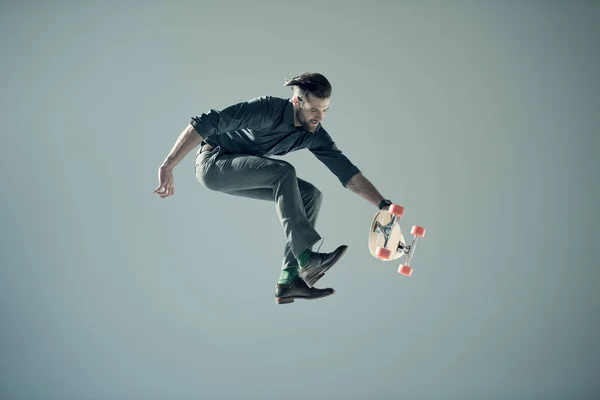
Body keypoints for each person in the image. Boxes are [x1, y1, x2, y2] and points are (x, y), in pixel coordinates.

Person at [153, 72, 393, 304]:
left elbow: (348, 173)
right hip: (213, 163)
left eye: (324, 111)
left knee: (310, 195)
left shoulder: (314, 134)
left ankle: (289, 281)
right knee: (284, 173)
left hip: (241, 171)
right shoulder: (267, 110)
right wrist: (168, 165)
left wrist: (384, 205)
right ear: (297, 101)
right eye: (313, 110)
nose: (318, 117)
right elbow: (207, 122)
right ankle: (307, 259)